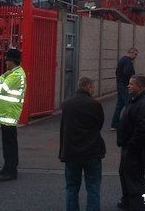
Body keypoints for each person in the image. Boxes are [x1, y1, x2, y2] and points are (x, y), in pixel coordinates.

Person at [59, 76, 106, 211]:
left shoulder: (66, 104)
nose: (94, 90)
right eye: (93, 87)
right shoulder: (95, 104)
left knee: (72, 188)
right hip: (92, 151)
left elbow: (64, 127)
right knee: (93, 188)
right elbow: (99, 124)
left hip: (71, 151)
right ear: (88, 87)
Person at [117, 75, 145, 211]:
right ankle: (127, 202)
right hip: (129, 147)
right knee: (125, 175)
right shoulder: (136, 100)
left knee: (134, 179)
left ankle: (136, 206)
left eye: (131, 84)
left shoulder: (144, 104)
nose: (128, 86)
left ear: (140, 87)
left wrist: (131, 146)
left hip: (135, 150)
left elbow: (143, 130)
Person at [0, 47, 26, 181]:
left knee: (9, 143)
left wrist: (0, 78)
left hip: (9, 112)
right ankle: (7, 167)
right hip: (8, 112)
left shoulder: (15, 75)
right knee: (8, 142)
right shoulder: (17, 73)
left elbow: (0, 89)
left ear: (12, 61)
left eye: (7, 60)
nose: (6, 63)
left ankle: (11, 170)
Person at [110, 47, 138, 130]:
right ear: (131, 53)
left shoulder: (122, 60)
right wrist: (132, 81)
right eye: (135, 54)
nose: (136, 56)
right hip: (124, 85)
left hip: (120, 84)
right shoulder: (127, 61)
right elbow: (128, 72)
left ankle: (114, 124)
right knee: (129, 104)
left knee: (119, 105)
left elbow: (117, 72)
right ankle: (128, 124)